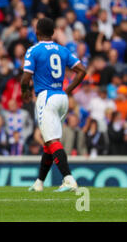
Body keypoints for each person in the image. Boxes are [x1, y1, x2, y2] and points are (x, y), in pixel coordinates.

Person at [21, 17, 86, 192]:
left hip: (46, 97)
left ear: (37, 33)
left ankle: (68, 178)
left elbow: (26, 77)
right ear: (53, 33)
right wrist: (69, 90)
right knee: (49, 142)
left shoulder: (34, 50)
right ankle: (39, 182)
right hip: (62, 97)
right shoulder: (63, 50)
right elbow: (82, 71)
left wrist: (24, 92)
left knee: (52, 140)